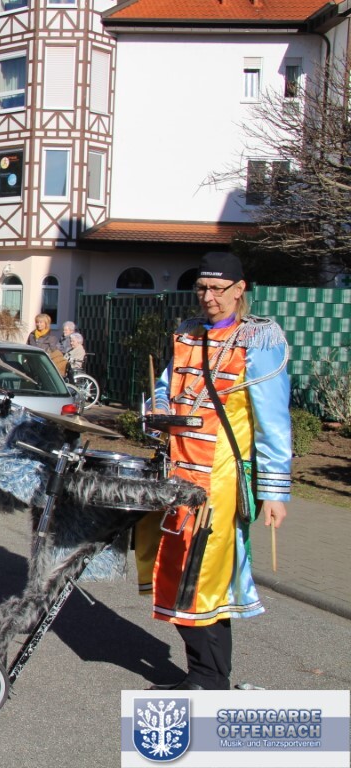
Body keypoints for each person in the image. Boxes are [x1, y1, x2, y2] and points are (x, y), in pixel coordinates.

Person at [135, 252, 291, 691]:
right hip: (176, 473)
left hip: (218, 480)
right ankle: (206, 676)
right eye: (202, 288)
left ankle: (208, 677)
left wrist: (274, 492)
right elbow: (166, 387)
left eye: (218, 289)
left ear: (240, 289)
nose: (209, 297)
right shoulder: (187, 333)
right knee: (177, 571)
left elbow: (273, 422)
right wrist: (157, 410)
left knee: (202, 575)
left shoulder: (259, 340)